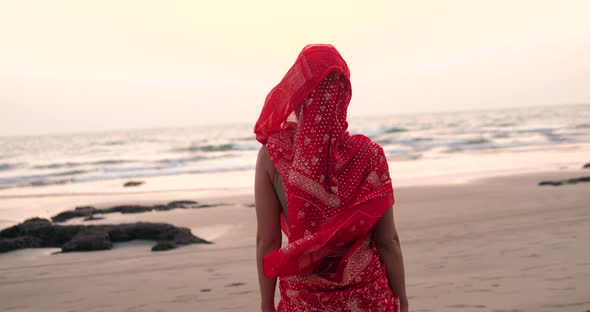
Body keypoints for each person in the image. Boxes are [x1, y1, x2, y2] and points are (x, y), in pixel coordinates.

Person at [254, 44, 408, 312]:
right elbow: (388, 241)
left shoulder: (273, 155)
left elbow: (267, 241)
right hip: (367, 299)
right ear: (344, 95)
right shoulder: (369, 156)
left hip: (304, 301)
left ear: (299, 92)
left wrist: (266, 303)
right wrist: (402, 299)